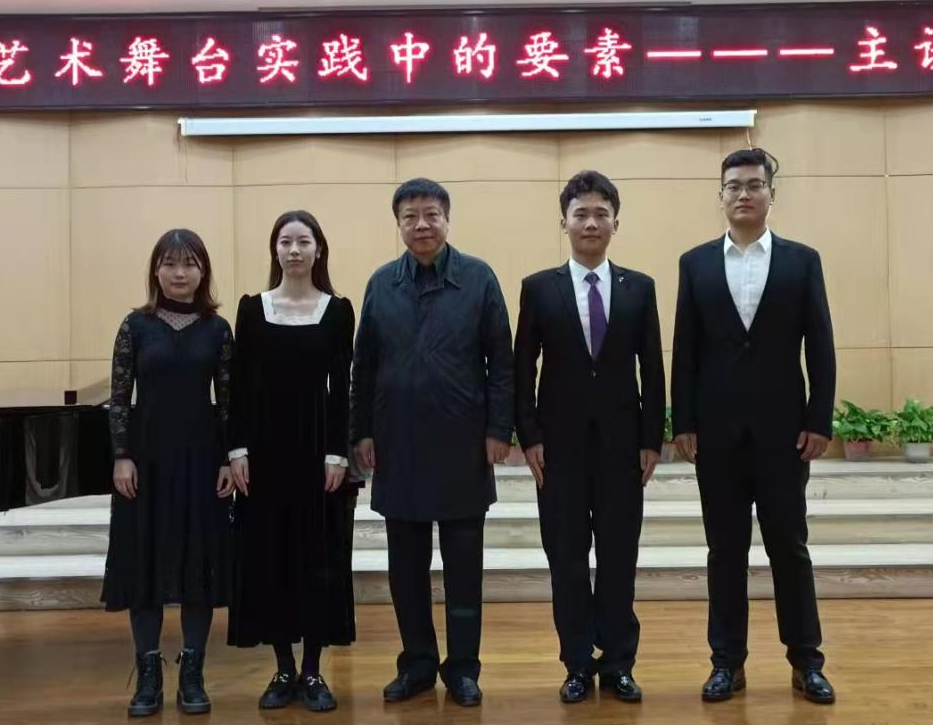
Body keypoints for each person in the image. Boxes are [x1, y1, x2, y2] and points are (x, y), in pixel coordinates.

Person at [671, 148, 838, 705]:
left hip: (784, 434)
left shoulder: (801, 261)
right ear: (720, 195)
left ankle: (806, 662)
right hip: (716, 436)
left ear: (771, 193)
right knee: (725, 552)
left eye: (754, 185)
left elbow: (821, 345)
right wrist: (684, 421)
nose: (744, 193)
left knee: (790, 547)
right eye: (734, 185)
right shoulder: (695, 264)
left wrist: (819, 418)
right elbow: (685, 351)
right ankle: (727, 664)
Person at [350, 178, 514, 707]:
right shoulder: (382, 284)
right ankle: (417, 664)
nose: (421, 225)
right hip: (397, 445)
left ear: (446, 219)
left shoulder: (478, 278)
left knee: (464, 570)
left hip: (463, 445)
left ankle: (463, 668)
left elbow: (502, 362)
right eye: (410, 216)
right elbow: (363, 366)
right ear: (398, 224)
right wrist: (361, 431)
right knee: (406, 569)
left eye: (431, 215)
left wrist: (498, 430)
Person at [514, 170, 665, 704]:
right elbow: (522, 368)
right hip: (558, 451)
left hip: (624, 449)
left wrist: (652, 439)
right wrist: (529, 435)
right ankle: (577, 662)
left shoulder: (639, 288)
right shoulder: (539, 288)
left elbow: (653, 369)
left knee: (620, 558)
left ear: (615, 223)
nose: (591, 222)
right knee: (568, 561)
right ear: (565, 223)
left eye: (602, 213)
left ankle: (619, 663)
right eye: (581, 213)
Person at [227, 211, 358, 713]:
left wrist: (338, 452)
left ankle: (313, 669)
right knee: (272, 556)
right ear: (275, 250)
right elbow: (240, 386)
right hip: (264, 452)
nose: (295, 250)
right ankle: (282, 668)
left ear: (318, 249)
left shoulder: (337, 310)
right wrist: (237, 449)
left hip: (318, 451)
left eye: (304, 241)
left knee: (317, 557)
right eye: (286, 241)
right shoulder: (252, 308)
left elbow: (342, 388)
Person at [102, 229, 235, 717]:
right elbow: (119, 398)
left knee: (198, 562)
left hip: (202, 460)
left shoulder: (217, 329)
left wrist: (228, 458)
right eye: (171, 264)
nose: (180, 273)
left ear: (203, 271)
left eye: (190, 264)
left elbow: (229, 403)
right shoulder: (135, 326)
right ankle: (149, 674)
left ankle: (193, 672)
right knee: (146, 562)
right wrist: (121, 455)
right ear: (156, 270)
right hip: (146, 461)